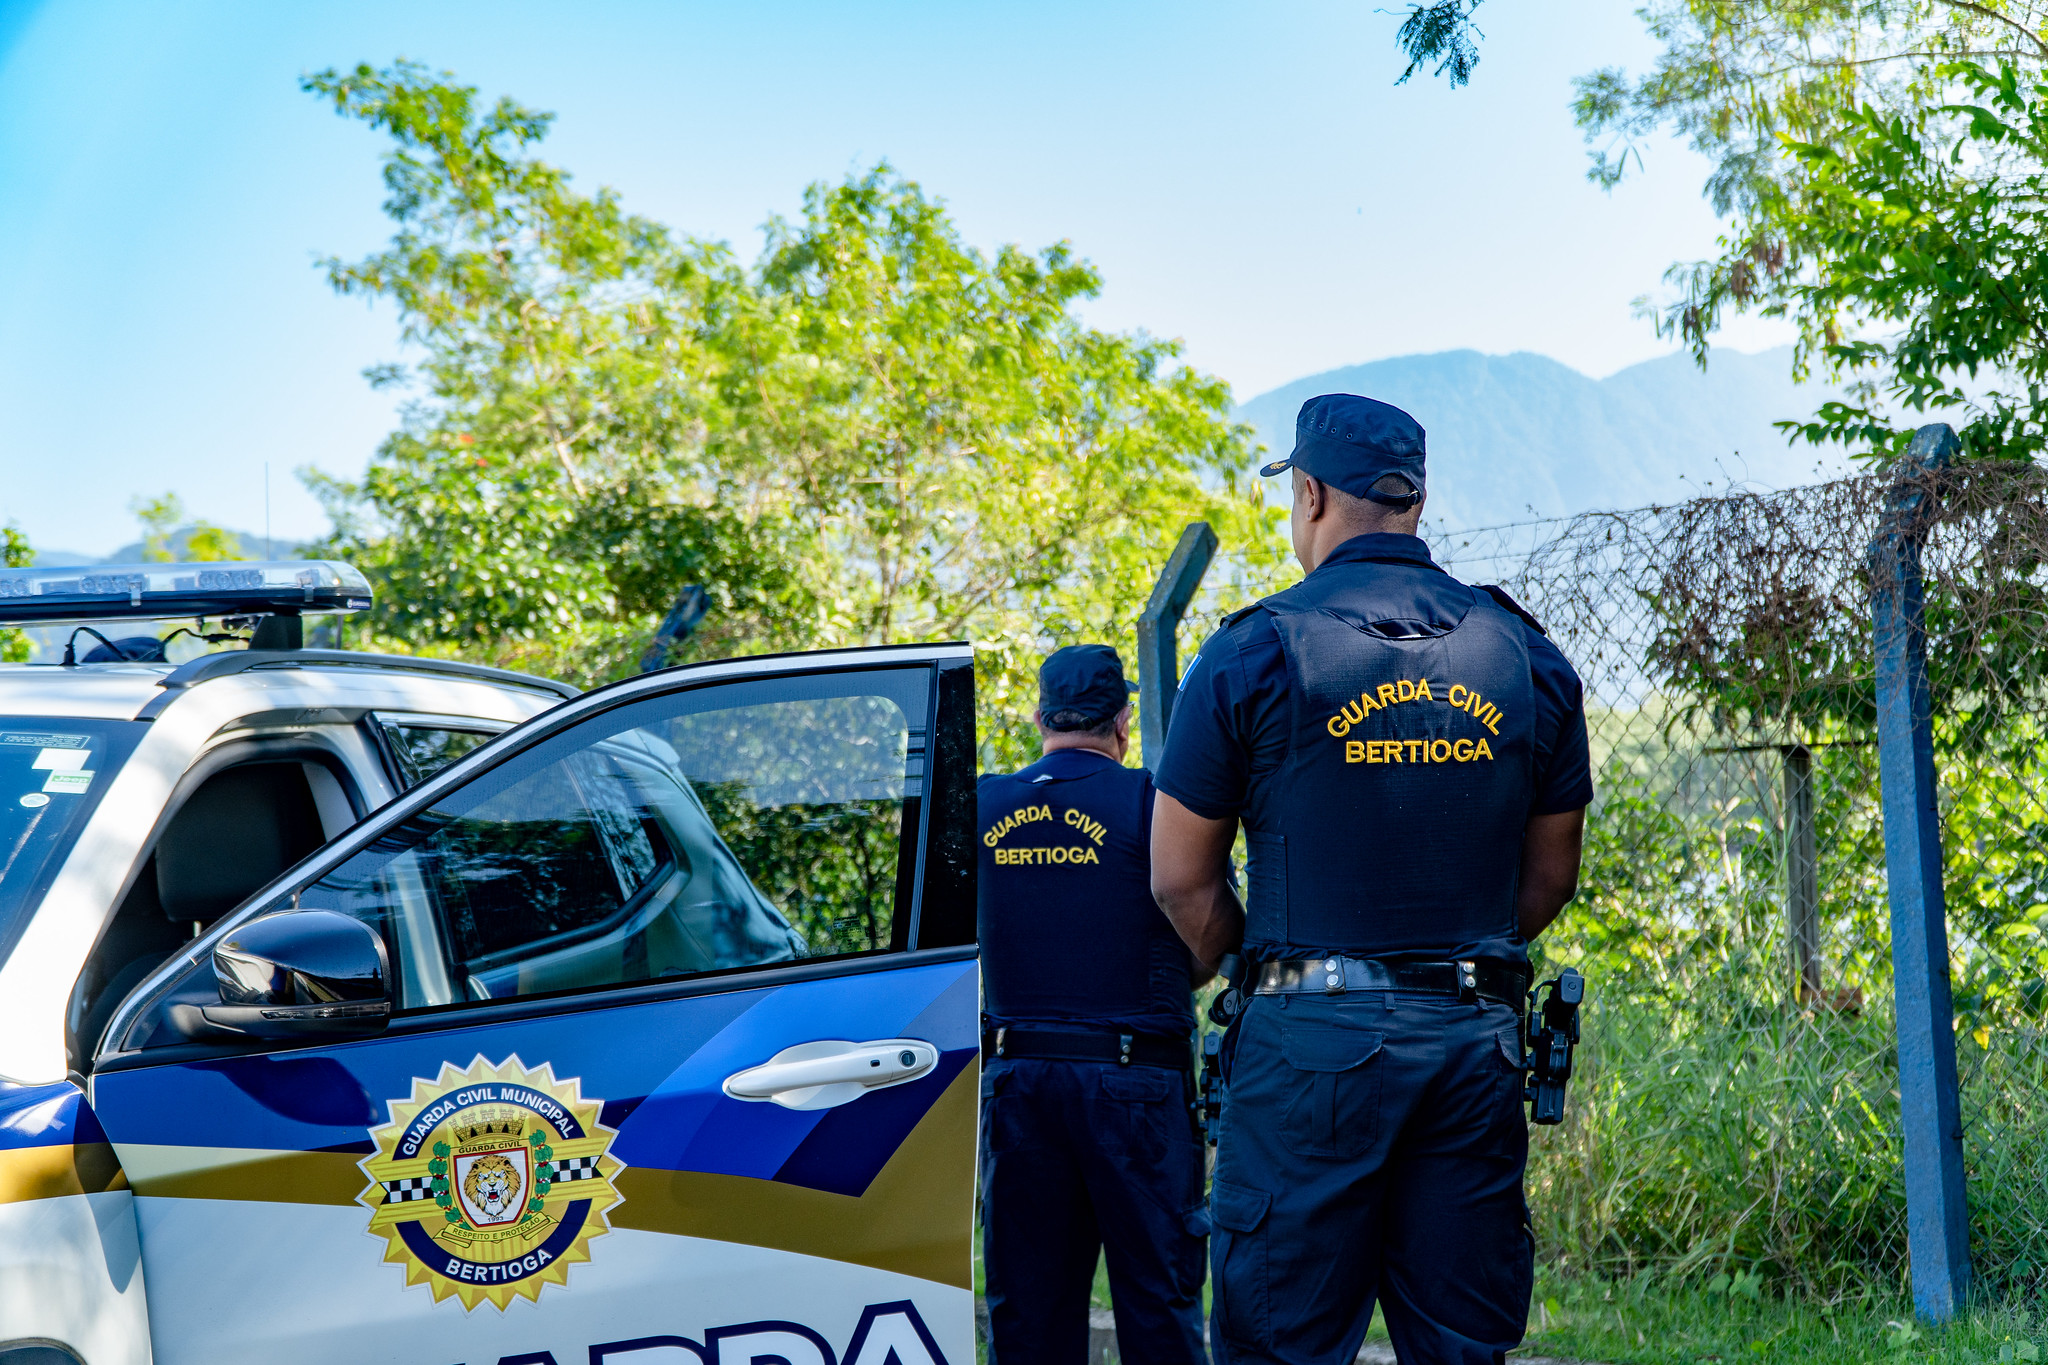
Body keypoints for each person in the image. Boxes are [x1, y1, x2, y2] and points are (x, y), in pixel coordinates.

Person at [1150, 394, 1593, 1365]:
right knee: (1461, 1344)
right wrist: (1449, 957)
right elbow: (1549, 877)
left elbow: (1180, 881)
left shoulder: (1250, 652)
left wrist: (1270, 972)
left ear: (1308, 494)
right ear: (1414, 499)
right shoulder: (1525, 656)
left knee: (1279, 1345)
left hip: (1304, 1050)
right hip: (1472, 1043)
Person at [978, 643, 1208, 1365]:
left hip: (1018, 1082)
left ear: (1041, 717)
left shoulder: (980, 805)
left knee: (1029, 1316)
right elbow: (1208, 931)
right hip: (1133, 1083)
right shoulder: (1151, 802)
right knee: (1158, 1307)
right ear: (1122, 722)